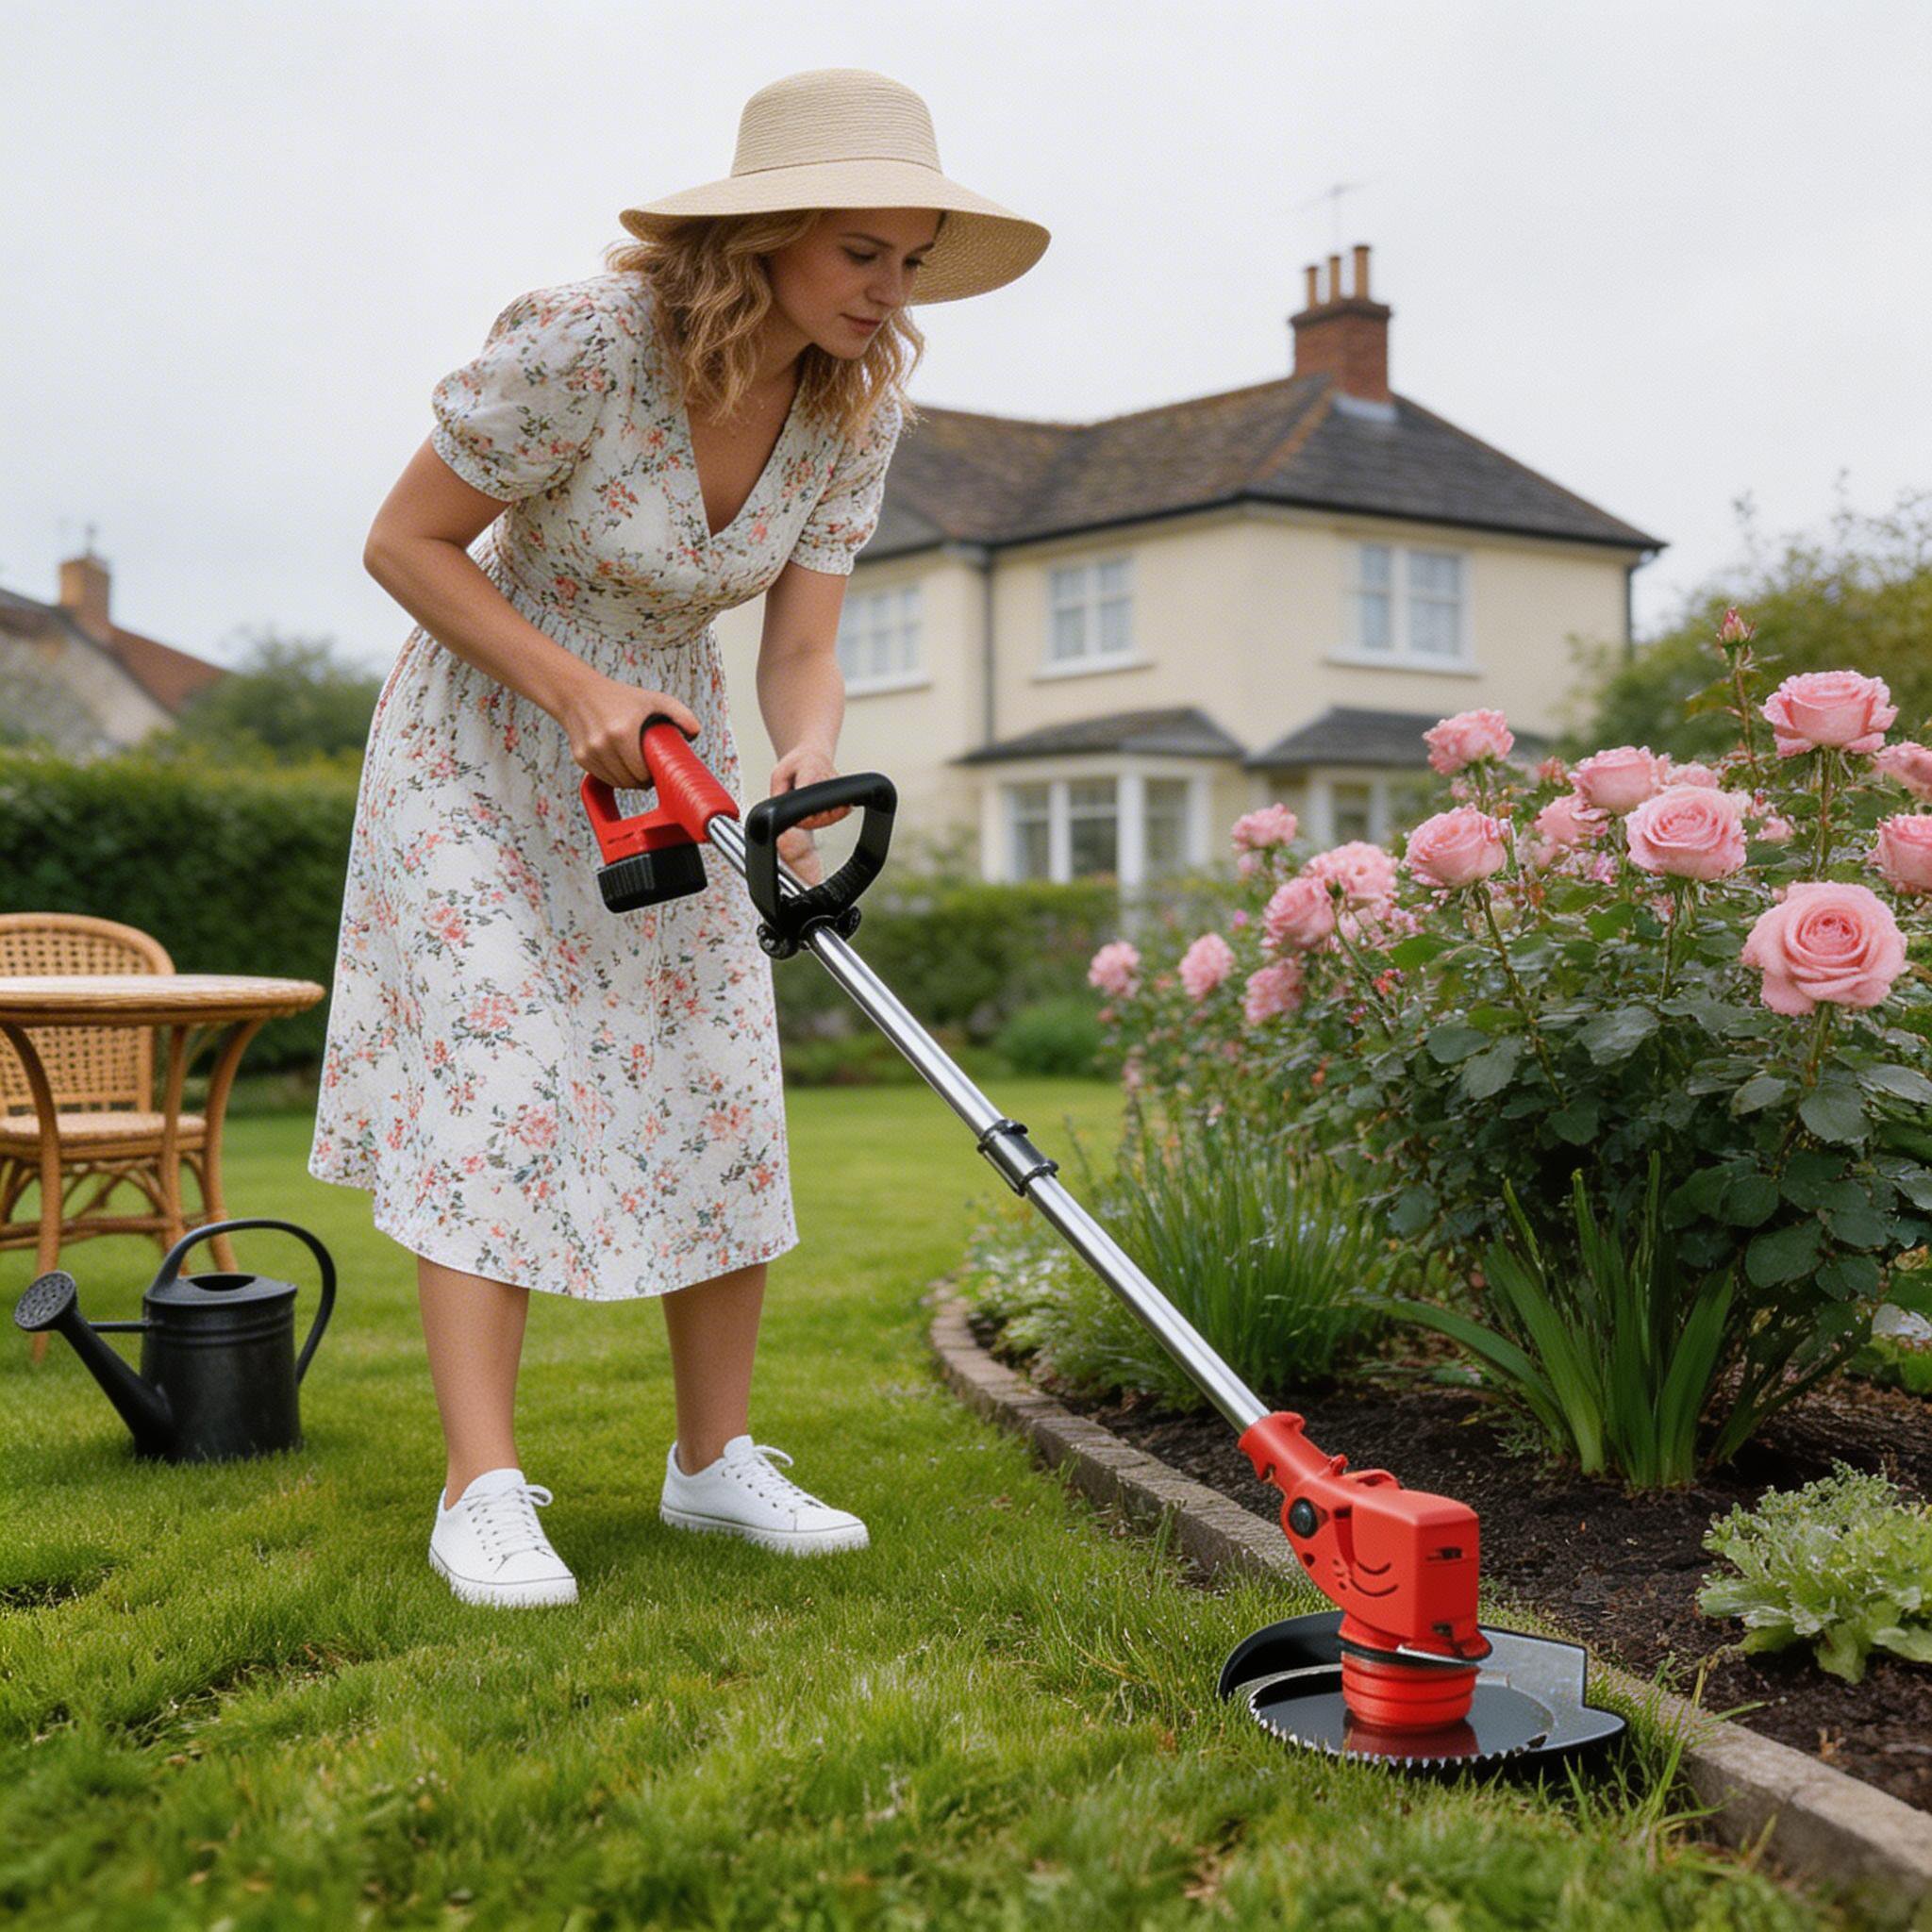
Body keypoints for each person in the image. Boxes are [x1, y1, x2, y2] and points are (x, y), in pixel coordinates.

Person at [307, 68, 1049, 1606]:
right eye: (862, 252)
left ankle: (713, 1466)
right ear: (767, 234)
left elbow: (801, 646)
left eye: (907, 260)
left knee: (720, 1069)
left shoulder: (857, 403)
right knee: (496, 1067)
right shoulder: (590, 342)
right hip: (484, 733)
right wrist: (573, 683)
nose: (889, 292)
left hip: (679, 754)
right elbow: (405, 541)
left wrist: (809, 763)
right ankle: (483, 1487)